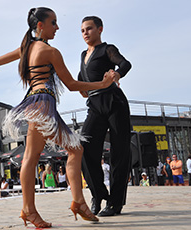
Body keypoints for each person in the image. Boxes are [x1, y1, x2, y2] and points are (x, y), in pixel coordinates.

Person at [0, 7, 113, 227]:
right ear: (40, 25)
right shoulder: (50, 52)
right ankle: (33, 209)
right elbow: (71, 85)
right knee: (39, 156)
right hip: (42, 103)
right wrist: (103, 84)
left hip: (36, 101)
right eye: (53, 23)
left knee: (61, 151)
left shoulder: (26, 48)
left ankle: (74, 202)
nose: (57, 27)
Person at [77, 15, 132, 217]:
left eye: (89, 29)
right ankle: (98, 194)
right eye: (83, 30)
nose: (85, 33)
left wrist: (116, 74)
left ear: (100, 29)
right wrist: (83, 88)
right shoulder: (83, 54)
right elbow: (81, 81)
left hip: (114, 102)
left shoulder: (107, 49)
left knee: (120, 152)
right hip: (94, 105)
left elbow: (125, 64)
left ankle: (115, 203)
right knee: (83, 149)